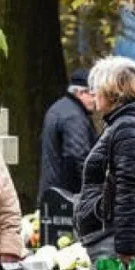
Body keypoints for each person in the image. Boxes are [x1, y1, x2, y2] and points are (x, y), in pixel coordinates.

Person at [75, 56, 135, 266]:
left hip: (114, 240)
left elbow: (129, 189)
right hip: (110, 234)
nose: (93, 93)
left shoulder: (127, 128)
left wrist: (125, 249)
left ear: (112, 91)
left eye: (96, 87)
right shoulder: (123, 124)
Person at [38, 69, 97, 199]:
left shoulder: (59, 108)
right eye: (93, 95)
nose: (96, 100)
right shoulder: (74, 117)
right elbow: (76, 159)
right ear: (80, 93)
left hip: (51, 195)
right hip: (67, 199)